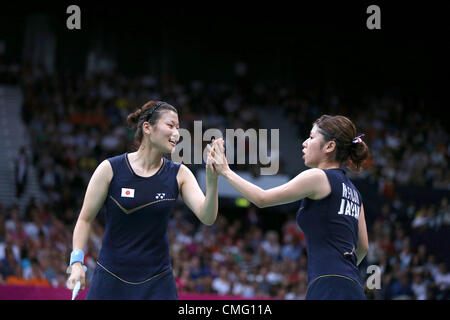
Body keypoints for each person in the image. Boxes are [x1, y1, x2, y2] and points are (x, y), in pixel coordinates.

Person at [67, 100, 219, 299]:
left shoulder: (180, 174)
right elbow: (85, 219)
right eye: (170, 125)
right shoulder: (110, 169)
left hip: (157, 281)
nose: (177, 133)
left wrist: (212, 181)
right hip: (111, 278)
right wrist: (77, 262)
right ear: (147, 127)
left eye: (178, 127)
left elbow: (207, 217)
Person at [209, 115, 370, 300]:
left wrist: (226, 171)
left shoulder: (317, 177)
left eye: (311, 137)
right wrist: (343, 272)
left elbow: (262, 198)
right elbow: (363, 247)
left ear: (329, 146)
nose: (304, 143)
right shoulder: (355, 192)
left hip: (327, 285)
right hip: (353, 286)